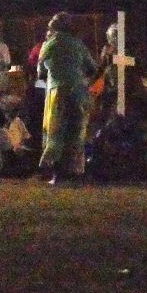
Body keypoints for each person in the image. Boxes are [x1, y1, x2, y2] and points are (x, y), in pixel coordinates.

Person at [37, 12, 97, 184]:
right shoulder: (78, 44)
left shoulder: (50, 44)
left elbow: (40, 71)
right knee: (76, 132)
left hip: (57, 92)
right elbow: (92, 68)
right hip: (79, 92)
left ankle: (56, 174)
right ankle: (76, 173)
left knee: (55, 133)